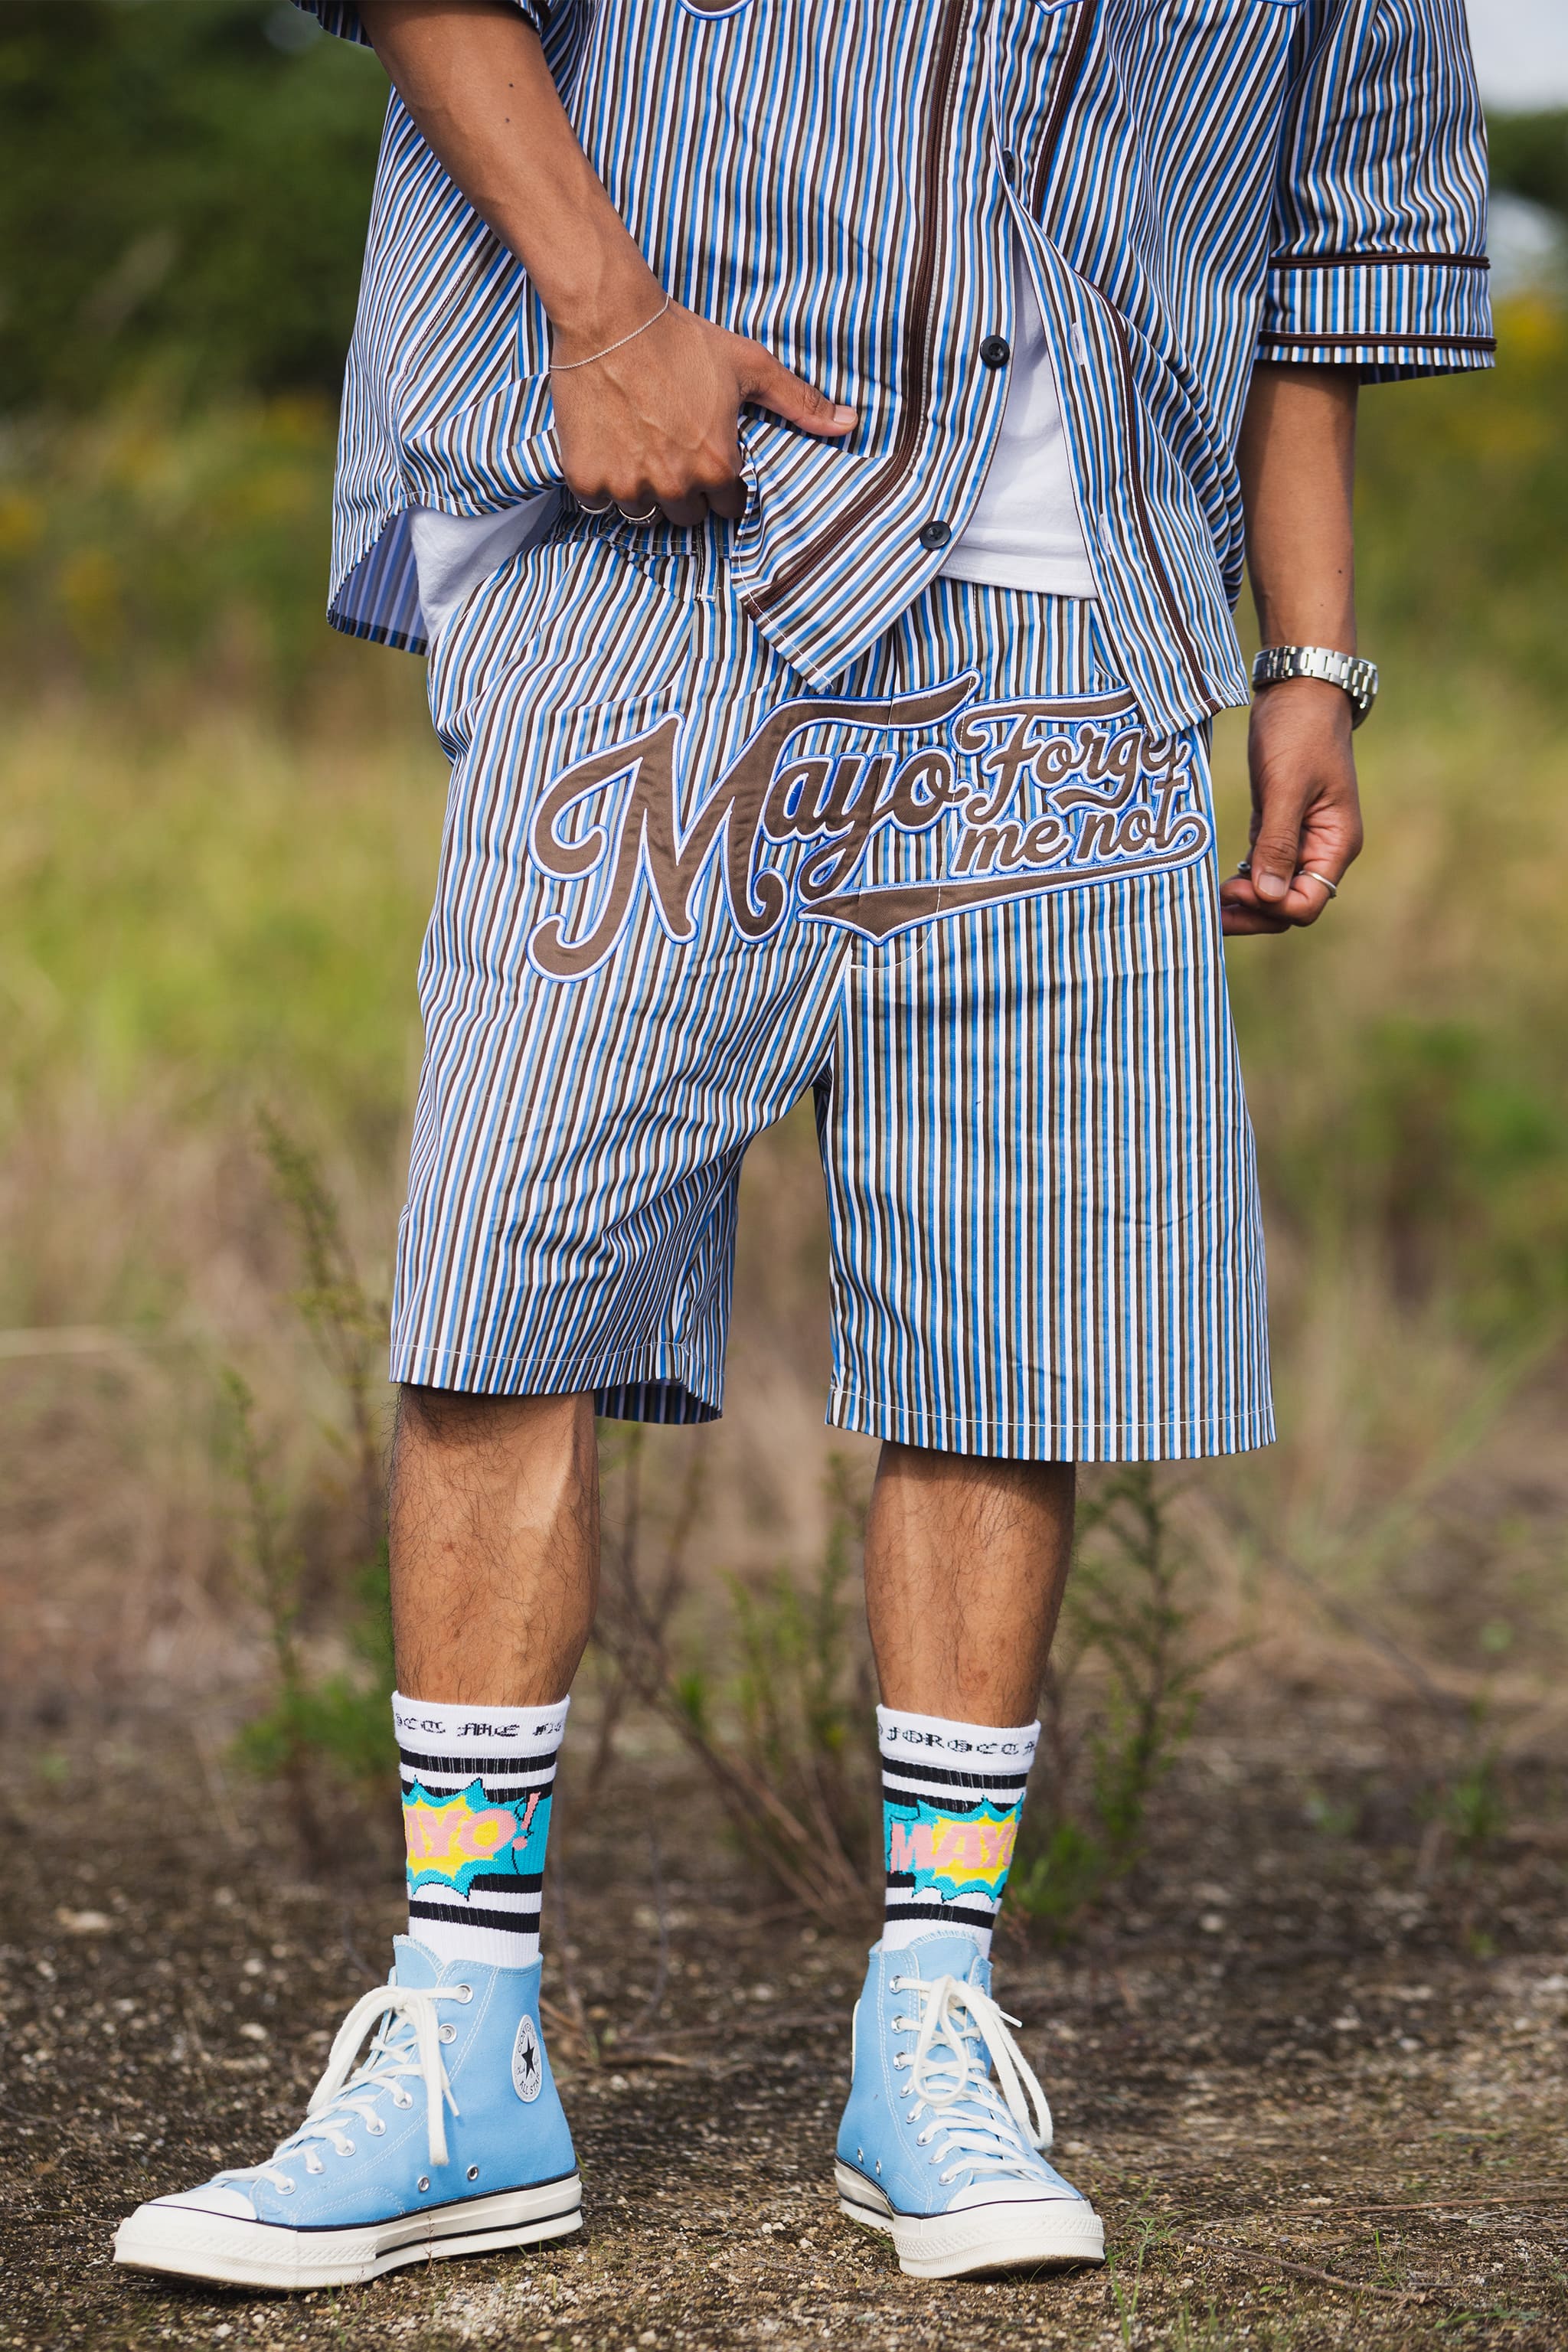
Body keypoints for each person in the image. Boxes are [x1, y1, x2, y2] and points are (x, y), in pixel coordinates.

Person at [113, 0, 1491, 2292]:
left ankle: (929, 2025)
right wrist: (606, 316)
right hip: (662, 519)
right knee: (512, 1262)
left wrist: (1314, 658)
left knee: (1018, 1320)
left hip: (1088, 603)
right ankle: (461, 2046)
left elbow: (1321, 257)